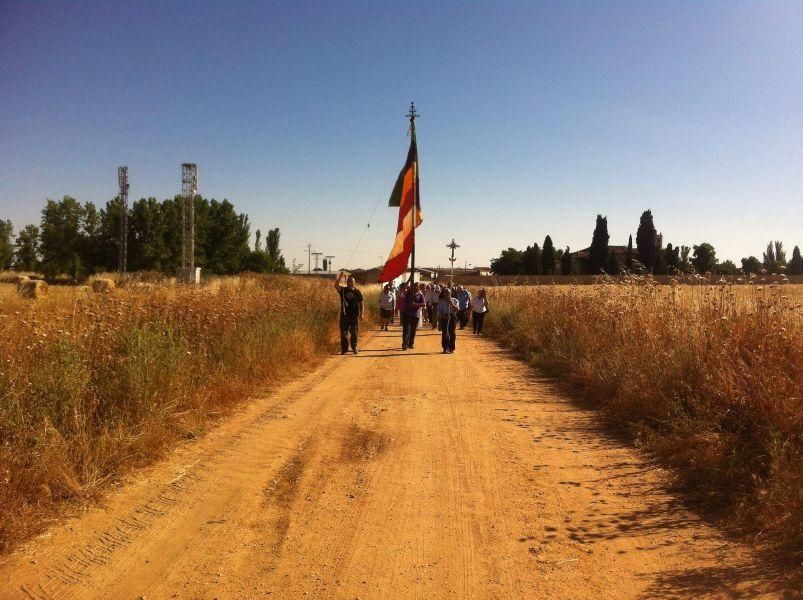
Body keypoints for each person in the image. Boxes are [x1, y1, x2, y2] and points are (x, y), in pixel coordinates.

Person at [334, 274, 363, 354]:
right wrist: (340, 277)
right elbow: (336, 286)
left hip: (354, 316)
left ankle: (354, 347)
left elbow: (361, 303)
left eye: (352, 282)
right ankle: (344, 349)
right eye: (349, 282)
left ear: (354, 283)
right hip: (344, 315)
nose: (351, 283)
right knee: (344, 333)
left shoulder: (357, 291)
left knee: (354, 332)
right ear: (347, 283)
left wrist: (361, 313)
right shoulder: (343, 290)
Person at [401, 281, 426, 350]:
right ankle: (404, 344)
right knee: (406, 329)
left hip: (415, 315)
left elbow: (424, 304)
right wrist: (408, 281)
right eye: (414, 286)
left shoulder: (420, 295)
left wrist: (415, 305)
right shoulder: (408, 292)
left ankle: (411, 343)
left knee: (413, 330)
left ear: (419, 287)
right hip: (406, 314)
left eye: (417, 286)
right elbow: (403, 290)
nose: (416, 287)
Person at [437, 287, 459, 353]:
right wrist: (445, 317)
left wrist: (451, 303)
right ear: (444, 294)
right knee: (445, 333)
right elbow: (439, 313)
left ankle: (451, 348)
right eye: (446, 293)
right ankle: (445, 347)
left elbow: (457, 309)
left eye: (448, 293)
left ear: (450, 293)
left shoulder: (455, 300)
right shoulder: (441, 302)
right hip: (444, 317)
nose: (447, 294)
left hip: (452, 316)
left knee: (452, 333)